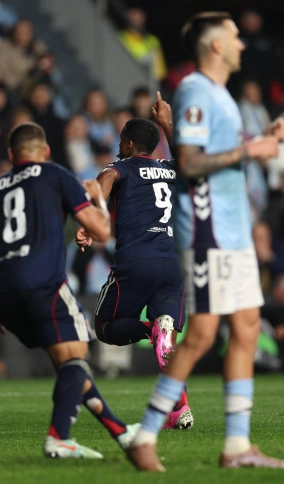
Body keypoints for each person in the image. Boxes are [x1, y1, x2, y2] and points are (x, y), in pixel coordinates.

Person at [125, 12, 284, 471]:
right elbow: (192, 164)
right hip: (208, 228)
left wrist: (263, 140)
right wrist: (251, 149)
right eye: (234, 36)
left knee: (247, 328)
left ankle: (236, 446)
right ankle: (146, 435)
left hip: (233, 229)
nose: (242, 43)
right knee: (201, 334)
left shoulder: (219, 95)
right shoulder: (197, 90)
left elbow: (203, 153)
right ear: (216, 45)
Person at [0, 122, 139, 459]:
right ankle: (59, 437)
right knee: (76, 358)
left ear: (11, 155)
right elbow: (101, 232)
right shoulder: (55, 175)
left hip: (3, 298)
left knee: (70, 365)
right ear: (46, 151)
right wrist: (97, 199)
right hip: (44, 287)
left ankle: (122, 432)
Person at [76, 97, 192, 430]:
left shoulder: (119, 167)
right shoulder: (173, 168)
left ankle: (149, 330)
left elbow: (102, 187)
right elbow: (190, 159)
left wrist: (89, 223)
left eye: (120, 141)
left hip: (136, 260)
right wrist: (167, 121)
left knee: (105, 328)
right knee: (167, 343)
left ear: (128, 144)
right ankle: (179, 410)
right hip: (173, 264)